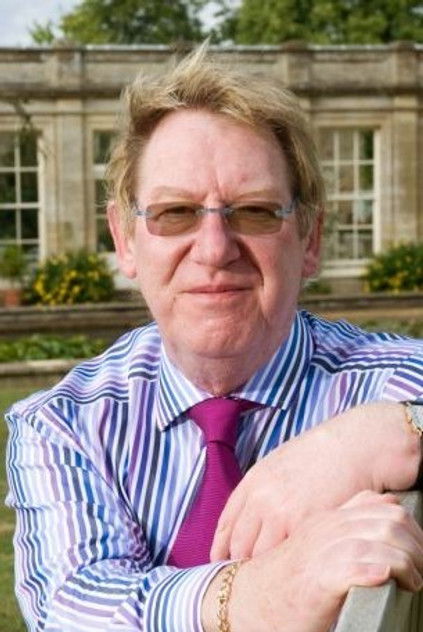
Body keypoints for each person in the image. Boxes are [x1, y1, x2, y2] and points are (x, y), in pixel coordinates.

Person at [5, 45, 423, 632]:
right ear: (124, 241)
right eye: (175, 212)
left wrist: (396, 430)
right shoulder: (65, 425)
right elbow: (72, 606)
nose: (214, 249)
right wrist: (264, 593)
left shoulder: (395, 381)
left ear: (310, 239)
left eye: (254, 211)